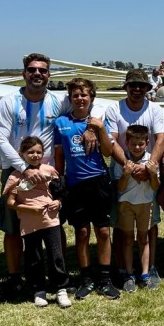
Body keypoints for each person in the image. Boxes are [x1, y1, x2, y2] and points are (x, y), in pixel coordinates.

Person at [0, 53, 71, 299]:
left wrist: (91, 128)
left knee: (53, 224)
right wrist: (23, 168)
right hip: (17, 172)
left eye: (43, 70)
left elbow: (82, 110)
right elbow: (0, 139)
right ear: (24, 73)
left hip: (48, 174)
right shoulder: (8, 102)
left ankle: (58, 278)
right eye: (32, 70)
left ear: (49, 74)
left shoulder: (58, 101)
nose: (38, 74)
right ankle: (15, 277)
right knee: (13, 227)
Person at [54, 78, 121, 300]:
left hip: (98, 181)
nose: (80, 99)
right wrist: (59, 182)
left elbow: (108, 152)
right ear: (70, 98)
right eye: (75, 95)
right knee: (81, 232)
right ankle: (86, 279)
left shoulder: (99, 122)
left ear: (91, 97)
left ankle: (105, 279)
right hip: (75, 184)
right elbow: (59, 155)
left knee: (103, 231)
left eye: (84, 95)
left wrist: (99, 128)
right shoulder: (61, 122)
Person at [103, 68, 164, 285]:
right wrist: (129, 165)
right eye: (133, 85)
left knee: (150, 223)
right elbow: (112, 140)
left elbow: (160, 139)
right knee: (121, 223)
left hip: (148, 172)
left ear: (148, 88)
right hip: (123, 172)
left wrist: (149, 166)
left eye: (142, 86)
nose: (137, 89)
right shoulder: (114, 109)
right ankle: (123, 269)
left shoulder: (154, 109)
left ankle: (150, 268)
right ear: (126, 87)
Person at [4, 137, 69, 307]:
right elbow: (10, 203)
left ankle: (60, 288)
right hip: (29, 223)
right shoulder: (15, 176)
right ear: (22, 154)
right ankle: (38, 289)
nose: (35, 155)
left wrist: (58, 202)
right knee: (34, 257)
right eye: (30, 152)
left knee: (56, 255)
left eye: (39, 152)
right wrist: (29, 209)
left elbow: (59, 191)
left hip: (50, 220)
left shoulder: (49, 170)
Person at [113, 125, 160, 290]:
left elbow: (155, 186)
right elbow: (119, 188)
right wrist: (126, 174)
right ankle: (129, 274)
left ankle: (145, 274)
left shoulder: (151, 161)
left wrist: (152, 173)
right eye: (133, 144)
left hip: (145, 203)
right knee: (127, 239)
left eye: (141, 144)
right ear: (126, 143)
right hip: (125, 204)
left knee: (143, 239)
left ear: (147, 143)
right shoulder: (122, 161)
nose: (137, 147)